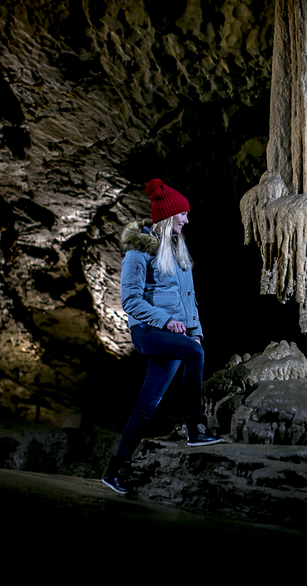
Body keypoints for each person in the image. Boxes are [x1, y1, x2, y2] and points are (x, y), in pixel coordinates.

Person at [102, 179, 223, 495]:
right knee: (194, 356)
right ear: (169, 216)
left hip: (173, 333)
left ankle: (115, 471)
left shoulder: (177, 246)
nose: (186, 220)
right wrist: (165, 321)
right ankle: (196, 427)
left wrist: (194, 333)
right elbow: (130, 300)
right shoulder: (139, 251)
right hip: (147, 332)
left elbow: (187, 296)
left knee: (146, 405)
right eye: (182, 214)